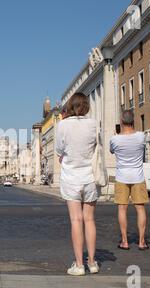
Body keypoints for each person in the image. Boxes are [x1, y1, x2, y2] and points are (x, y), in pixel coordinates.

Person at [56, 92, 100, 276]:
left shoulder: (63, 125)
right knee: (89, 220)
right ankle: (93, 262)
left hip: (71, 178)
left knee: (76, 220)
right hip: (90, 177)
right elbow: (97, 147)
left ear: (71, 106)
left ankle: (79, 265)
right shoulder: (94, 124)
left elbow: (59, 150)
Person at [111, 110, 150, 251]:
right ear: (133, 121)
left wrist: (117, 137)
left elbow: (112, 151)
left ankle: (125, 241)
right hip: (138, 177)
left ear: (121, 121)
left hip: (121, 177)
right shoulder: (141, 136)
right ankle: (141, 241)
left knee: (122, 209)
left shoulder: (114, 139)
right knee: (140, 209)